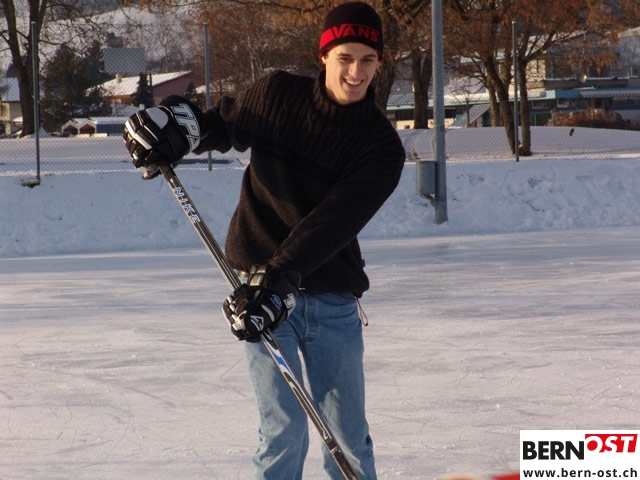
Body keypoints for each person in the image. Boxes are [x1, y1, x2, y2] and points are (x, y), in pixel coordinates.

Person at [123, 2, 405, 478]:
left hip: (327, 298)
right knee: (283, 431)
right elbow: (222, 124)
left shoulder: (380, 147)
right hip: (257, 290)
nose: (356, 72)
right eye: (345, 58)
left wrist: (279, 280)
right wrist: (178, 132)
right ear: (324, 56)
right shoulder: (277, 94)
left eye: (367, 60)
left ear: (379, 62)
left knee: (348, 437)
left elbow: (332, 223)